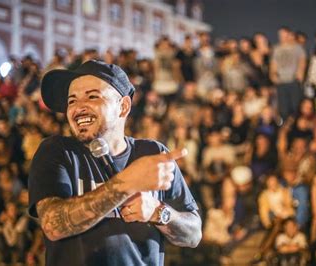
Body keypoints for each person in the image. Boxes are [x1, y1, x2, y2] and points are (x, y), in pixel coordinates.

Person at [28, 60, 202, 266]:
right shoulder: (57, 151)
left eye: (92, 96)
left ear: (123, 106)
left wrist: (158, 212)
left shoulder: (152, 153)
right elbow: (53, 224)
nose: (78, 108)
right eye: (72, 101)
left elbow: (193, 234)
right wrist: (127, 184)